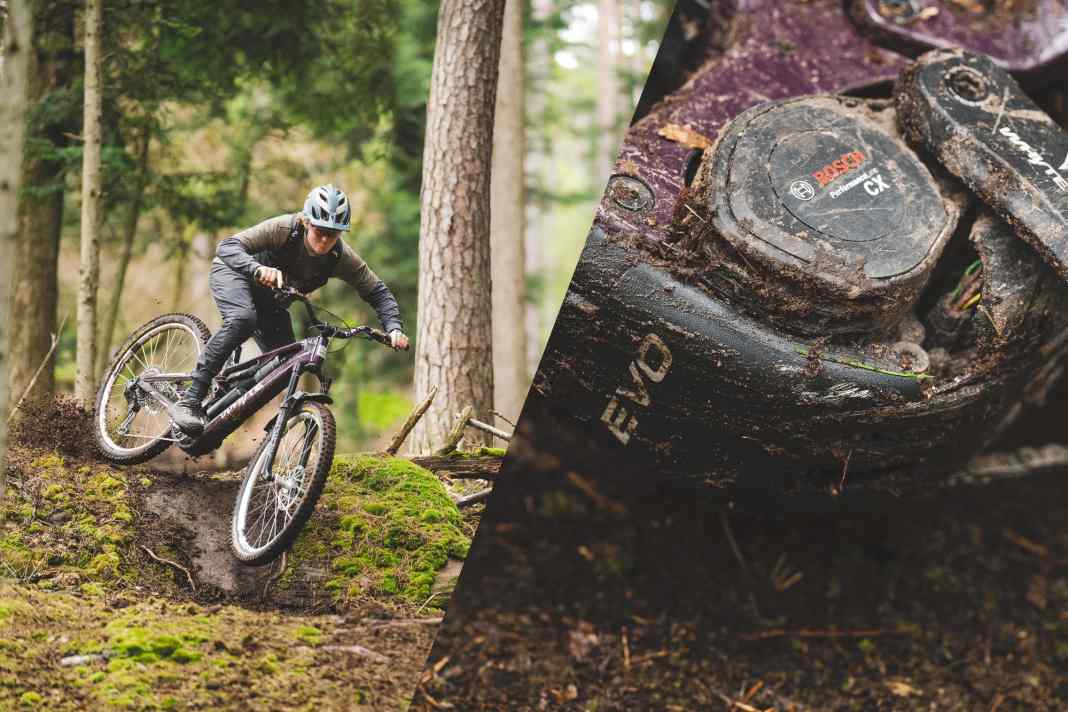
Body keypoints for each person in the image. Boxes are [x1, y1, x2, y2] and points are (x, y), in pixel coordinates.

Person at [172, 184, 409, 435]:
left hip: (271, 303)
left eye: (334, 233)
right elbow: (228, 247)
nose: (325, 239)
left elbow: (377, 291)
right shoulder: (285, 229)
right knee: (243, 319)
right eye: (320, 230)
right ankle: (190, 400)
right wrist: (256, 269)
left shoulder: (340, 257)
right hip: (235, 273)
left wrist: (393, 328)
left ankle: (220, 418)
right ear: (307, 221)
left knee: (286, 366)